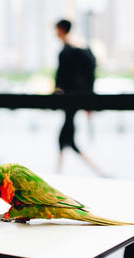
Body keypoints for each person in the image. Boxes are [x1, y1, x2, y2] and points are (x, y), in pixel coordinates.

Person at [54, 19, 107, 177]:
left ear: (61, 29)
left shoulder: (76, 47)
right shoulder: (74, 46)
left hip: (72, 96)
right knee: (67, 136)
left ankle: (59, 171)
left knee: (66, 136)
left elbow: (78, 70)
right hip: (72, 96)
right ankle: (61, 170)